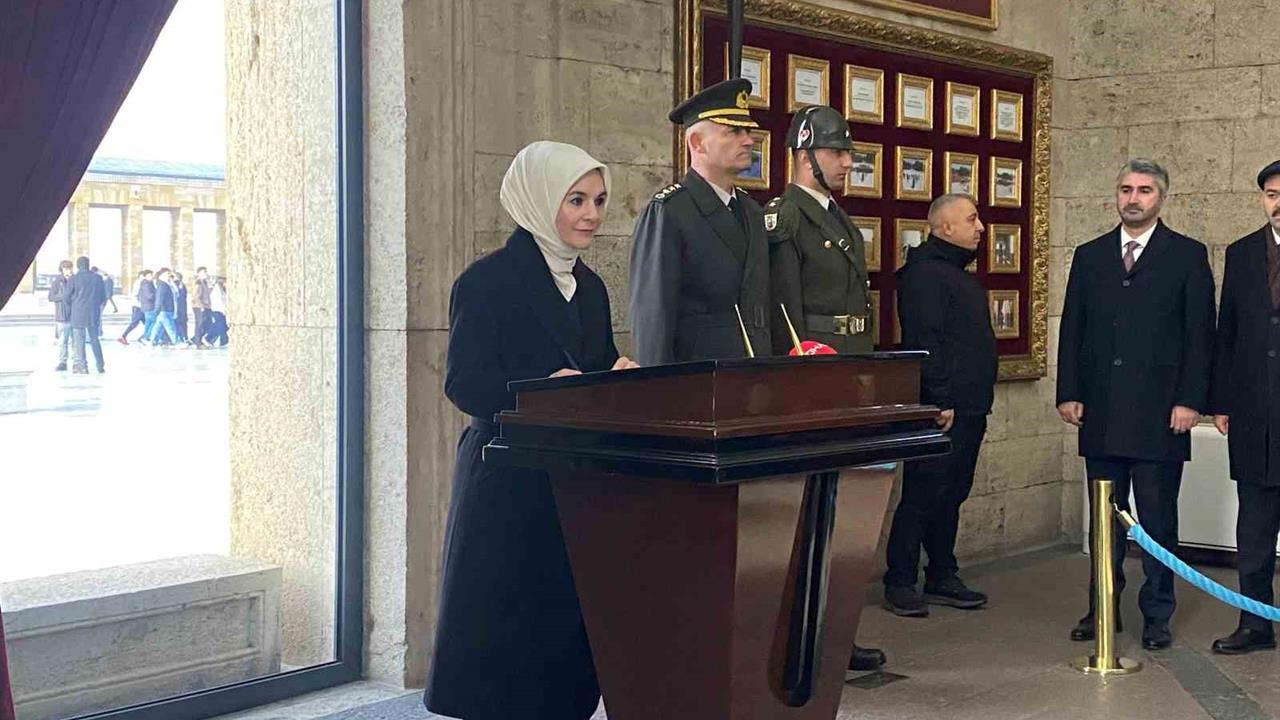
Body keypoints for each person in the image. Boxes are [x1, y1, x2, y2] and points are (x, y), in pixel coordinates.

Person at [423, 141, 638, 720]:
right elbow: (465, 384)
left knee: (560, 631)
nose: (592, 214)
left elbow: (595, 363)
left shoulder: (589, 286)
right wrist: (541, 389)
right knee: (503, 635)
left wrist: (618, 375)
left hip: (572, 478)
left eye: (598, 200)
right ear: (539, 200)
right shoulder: (486, 281)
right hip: (506, 480)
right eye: (576, 200)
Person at [1057, 159, 1215, 650]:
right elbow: (1073, 328)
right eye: (1126, 188)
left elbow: (1199, 336)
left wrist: (1192, 401)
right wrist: (1069, 390)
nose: (1133, 198)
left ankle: (1157, 614)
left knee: (1157, 519)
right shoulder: (1089, 255)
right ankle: (1101, 606)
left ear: (1160, 198)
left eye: (1144, 190)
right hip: (1101, 413)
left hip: (1161, 416)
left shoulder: (1187, 255)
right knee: (1103, 521)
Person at [765, 105, 884, 673]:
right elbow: (786, 317)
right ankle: (802, 638)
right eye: (837, 152)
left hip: (849, 374)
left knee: (842, 513)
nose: (846, 162)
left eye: (847, 153)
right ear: (805, 153)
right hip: (815, 379)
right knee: (810, 514)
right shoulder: (785, 218)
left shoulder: (836, 218)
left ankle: (832, 631)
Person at [882, 193, 997, 617]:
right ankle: (900, 579)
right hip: (944, 407)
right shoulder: (925, 275)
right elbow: (925, 341)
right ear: (945, 227)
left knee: (952, 493)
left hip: (969, 404)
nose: (980, 226)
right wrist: (940, 398)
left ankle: (942, 574)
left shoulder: (954, 272)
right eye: (971, 219)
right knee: (923, 492)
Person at [629, 78, 771, 364]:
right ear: (697, 142)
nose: (748, 140)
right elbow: (653, 320)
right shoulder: (670, 212)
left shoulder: (751, 211)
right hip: (699, 383)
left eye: (747, 130)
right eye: (734, 131)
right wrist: (657, 396)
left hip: (754, 376)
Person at [1207, 161, 1280, 655]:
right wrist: (1220, 402)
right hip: (1255, 413)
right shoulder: (1242, 253)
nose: (1279, 202)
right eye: (1272, 194)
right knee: (1253, 528)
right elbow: (1226, 332)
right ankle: (1255, 624)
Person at [65, 256, 106, 374]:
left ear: (78, 266)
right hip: (93, 313)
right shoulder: (97, 278)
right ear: (88, 265)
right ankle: (100, 365)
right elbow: (103, 297)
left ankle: (82, 366)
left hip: (78, 313)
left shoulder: (74, 279)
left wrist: (74, 304)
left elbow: (66, 297)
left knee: (79, 340)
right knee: (94, 339)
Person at [49, 260, 73, 371]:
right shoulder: (57, 281)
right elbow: (51, 297)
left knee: (76, 340)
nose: (68, 270)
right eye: (66, 268)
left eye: (69, 268)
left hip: (74, 314)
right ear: (62, 269)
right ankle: (62, 362)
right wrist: (63, 296)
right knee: (63, 341)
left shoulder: (75, 280)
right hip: (62, 315)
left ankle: (77, 361)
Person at [147, 268, 179, 345]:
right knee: (171, 327)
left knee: (158, 327)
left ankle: (152, 340)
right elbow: (159, 298)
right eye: (167, 274)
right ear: (162, 275)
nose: (169, 276)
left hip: (166, 310)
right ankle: (177, 342)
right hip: (164, 310)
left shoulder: (166, 284)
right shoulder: (162, 285)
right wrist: (157, 309)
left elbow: (176, 293)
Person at [118, 270, 150, 345]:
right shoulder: (139, 283)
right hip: (139, 306)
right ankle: (123, 336)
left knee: (147, 323)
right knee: (136, 323)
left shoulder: (141, 283)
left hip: (140, 306)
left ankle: (145, 337)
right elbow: (136, 295)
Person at [191, 267, 211, 347]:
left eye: (206, 272)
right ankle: (197, 342)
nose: (206, 274)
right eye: (204, 272)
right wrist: (201, 306)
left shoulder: (204, 282)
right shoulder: (198, 283)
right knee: (199, 324)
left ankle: (196, 338)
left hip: (205, 306)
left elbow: (206, 294)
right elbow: (196, 296)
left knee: (206, 323)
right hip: (199, 306)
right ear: (199, 273)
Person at [206, 278, 229, 346]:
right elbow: (220, 301)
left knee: (221, 326)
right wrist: (224, 310)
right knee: (221, 326)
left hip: (221, 310)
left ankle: (210, 338)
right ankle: (223, 340)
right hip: (217, 310)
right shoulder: (217, 291)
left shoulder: (222, 290)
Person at [138, 269, 158, 343]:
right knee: (153, 322)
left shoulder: (147, 283)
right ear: (145, 276)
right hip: (149, 306)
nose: (151, 277)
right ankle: (146, 337)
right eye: (150, 275)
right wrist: (157, 295)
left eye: (152, 275)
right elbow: (149, 296)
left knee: (148, 323)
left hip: (147, 306)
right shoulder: (146, 284)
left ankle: (145, 337)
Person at [173, 271, 189, 344]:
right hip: (177, 306)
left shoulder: (182, 284)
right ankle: (181, 337)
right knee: (178, 323)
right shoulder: (174, 284)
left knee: (183, 323)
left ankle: (185, 337)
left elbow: (184, 295)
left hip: (183, 306)